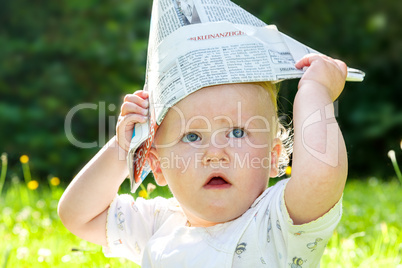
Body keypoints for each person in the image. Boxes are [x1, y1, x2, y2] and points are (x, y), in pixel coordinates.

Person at [58, 53, 348, 267]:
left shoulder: (277, 222)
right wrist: (124, 148)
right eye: (192, 136)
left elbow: (321, 177)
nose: (215, 153)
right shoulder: (158, 224)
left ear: (273, 157)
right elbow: (78, 215)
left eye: (236, 132)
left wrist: (315, 92)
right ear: (157, 165)